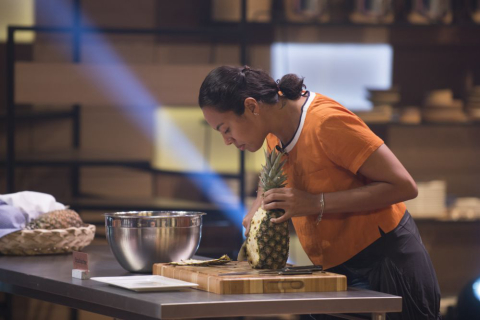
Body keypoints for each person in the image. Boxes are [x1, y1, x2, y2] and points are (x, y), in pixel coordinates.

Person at [198, 65, 441, 320]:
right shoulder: (272, 131)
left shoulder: (326, 123)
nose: (227, 140)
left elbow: (404, 185)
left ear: (251, 107)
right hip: (332, 268)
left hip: (385, 261)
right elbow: (271, 174)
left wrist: (315, 202)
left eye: (225, 129)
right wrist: (258, 205)